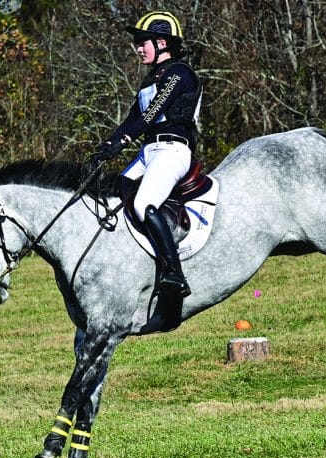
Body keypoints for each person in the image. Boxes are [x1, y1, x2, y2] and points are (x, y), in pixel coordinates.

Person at [88, 10, 202, 332]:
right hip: (149, 151)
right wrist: (104, 148)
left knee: (143, 204)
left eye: (142, 42)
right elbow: (131, 120)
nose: (138, 49)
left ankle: (173, 274)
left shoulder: (179, 74)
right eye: (137, 43)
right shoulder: (148, 80)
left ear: (162, 42)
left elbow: (152, 114)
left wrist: (118, 144)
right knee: (114, 199)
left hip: (173, 150)